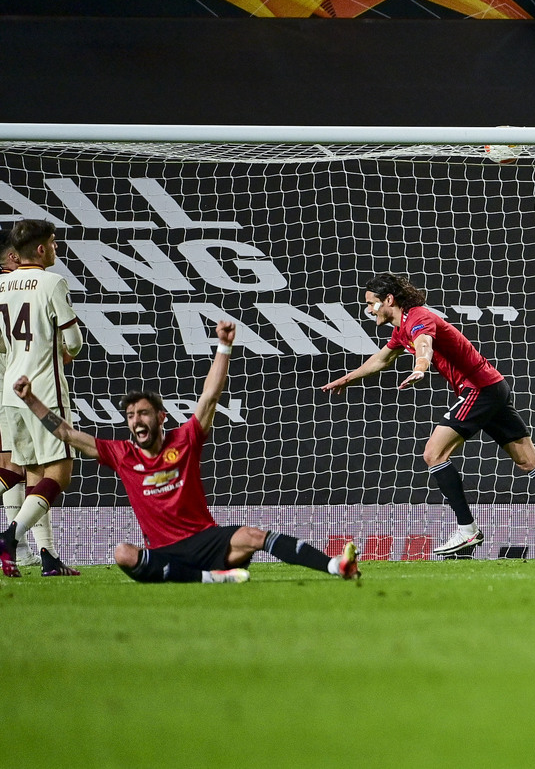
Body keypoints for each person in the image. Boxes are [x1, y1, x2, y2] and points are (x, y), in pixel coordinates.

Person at [13, 320, 360, 583]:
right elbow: (67, 434)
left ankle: (336, 566)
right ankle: (210, 578)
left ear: (161, 417)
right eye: (131, 416)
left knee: (254, 535)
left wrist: (224, 347)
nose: (136, 421)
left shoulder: (185, 439)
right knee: (123, 554)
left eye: (143, 413)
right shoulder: (121, 454)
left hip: (205, 539)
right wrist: (30, 400)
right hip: (165, 551)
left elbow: (210, 396)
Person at [322, 273, 535, 556]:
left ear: (389, 300)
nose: (368, 310)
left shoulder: (418, 317)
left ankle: (467, 530)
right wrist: (347, 379)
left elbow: (424, 345)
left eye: (371, 303)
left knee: (433, 454)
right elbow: (382, 359)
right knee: (528, 460)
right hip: (492, 387)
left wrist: (420, 367)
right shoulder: (401, 329)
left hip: (479, 389)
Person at [0, 220, 83, 577]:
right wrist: (61, 356)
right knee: (60, 473)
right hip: (43, 392)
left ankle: (47, 557)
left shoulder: (2, 285)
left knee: (33, 471)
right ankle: (9, 538)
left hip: (10, 390)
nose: (56, 248)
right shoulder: (52, 282)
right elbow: (74, 342)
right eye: (53, 242)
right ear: (40, 249)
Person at [0, 241, 47, 569]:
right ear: (13, 256)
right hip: (13, 384)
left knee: (15, 464)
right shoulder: (16, 287)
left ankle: (22, 550)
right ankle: (39, 550)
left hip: (9, 384)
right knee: (30, 467)